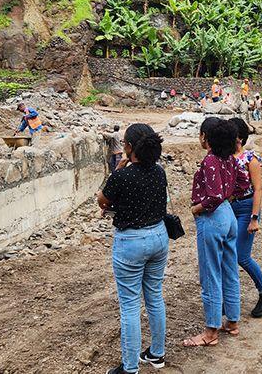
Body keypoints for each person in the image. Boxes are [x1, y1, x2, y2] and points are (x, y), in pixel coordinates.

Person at [97, 124, 168, 374]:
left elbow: (103, 200)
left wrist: (116, 170)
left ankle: (129, 368)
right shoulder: (159, 172)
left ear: (128, 147)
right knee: (155, 297)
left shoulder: (122, 176)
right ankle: (157, 354)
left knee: (129, 305)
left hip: (131, 242)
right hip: (159, 237)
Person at [184, 118, 249, 347]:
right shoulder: (230, 160)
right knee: (229, 269)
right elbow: (243, 183)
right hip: (229, 216)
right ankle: (232, 322)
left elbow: (212, 197)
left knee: (210, 273)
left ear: (206, 137)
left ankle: (210, 332)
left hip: (213, 218)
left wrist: (196, 208)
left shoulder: (210, 160)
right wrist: (228, 196)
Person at [228, 118, 262, 317]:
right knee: (227, 255)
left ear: (238, 137)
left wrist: (254, 218)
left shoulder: (251, 159)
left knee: (241, 256)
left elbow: (258, 189)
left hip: (247, 208)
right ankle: (229, 299)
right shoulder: (225, 157)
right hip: (230, 208)